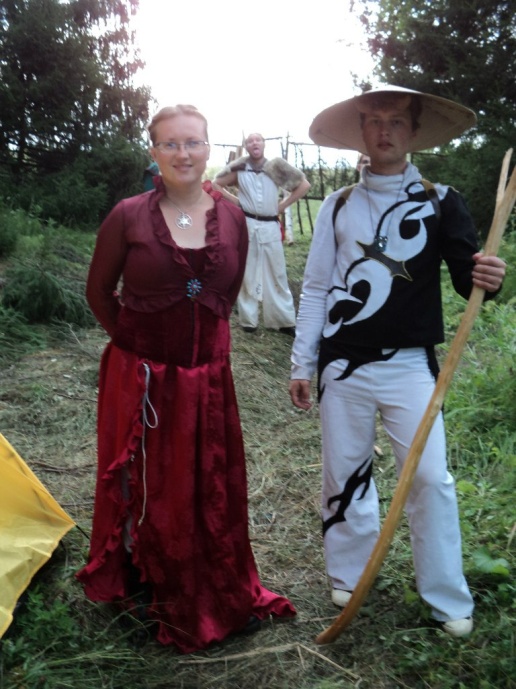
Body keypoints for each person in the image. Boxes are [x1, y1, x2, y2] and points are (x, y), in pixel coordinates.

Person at [289, 85, 506, 638]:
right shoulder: (339, 205)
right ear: (361, 130)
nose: (384, 130)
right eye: (374, 120)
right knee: (345, 471)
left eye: (396, 121)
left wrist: (490, 277)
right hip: (342, 364)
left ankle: (445, 594)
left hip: (411, 366)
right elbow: (316, 288)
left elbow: (469, 280)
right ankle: (350, 574)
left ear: (413, 131)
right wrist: (302, 362)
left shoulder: (442, 201)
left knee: (431, 477)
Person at [76, 104, 296, 653]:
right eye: (170, 144)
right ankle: (145, 583)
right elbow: (98, 293)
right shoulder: (128, 216)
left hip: (208, 382)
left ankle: (208, 579)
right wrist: (136, 346)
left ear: (208, 149)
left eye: (193, 142)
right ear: (153, 151)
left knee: (205, 483)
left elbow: (225, 294)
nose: (183, 154)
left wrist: (201, 357)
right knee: (146, 485)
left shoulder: (233, 218)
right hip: (142, 381)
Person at [213, 133, 310, 335]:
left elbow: (304, 185)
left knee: (277, 272)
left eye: (258, 139)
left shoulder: (275, 168)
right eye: (250, 141)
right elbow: (216, 184)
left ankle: (283, 321)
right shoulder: (240, 169)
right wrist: (237, 202)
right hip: (247, 224)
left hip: (270, 226)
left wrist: (283, 205)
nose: (254, 143)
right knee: (247, 271)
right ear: (246, 147)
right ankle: (249, 321)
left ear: (264, 144)